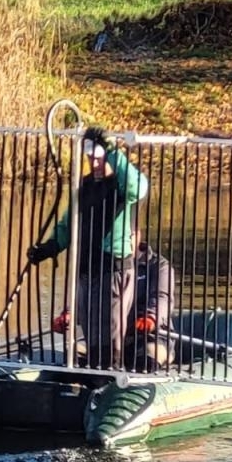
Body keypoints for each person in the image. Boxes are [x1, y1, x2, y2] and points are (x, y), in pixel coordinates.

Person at [27, 126, 150, 370]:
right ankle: (93, 374)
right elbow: (68, 223)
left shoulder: (121, 185)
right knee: (92, 331)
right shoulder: (83, 187)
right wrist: (50, 248)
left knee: (110, 330)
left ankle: (112, 374)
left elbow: (141, 188)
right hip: (88, 269)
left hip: (112, 269)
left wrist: (114, 150)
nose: (94, 162)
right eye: (90, 157)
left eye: (98, 156)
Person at [126, 237, 177, 370]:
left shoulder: (159, 265)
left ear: (137, 234)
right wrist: (71, 312)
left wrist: (151, 316)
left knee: (147, 360)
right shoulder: (101, 264)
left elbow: (162, 297)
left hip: (151, 335)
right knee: (75, 356)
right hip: (108, 334)